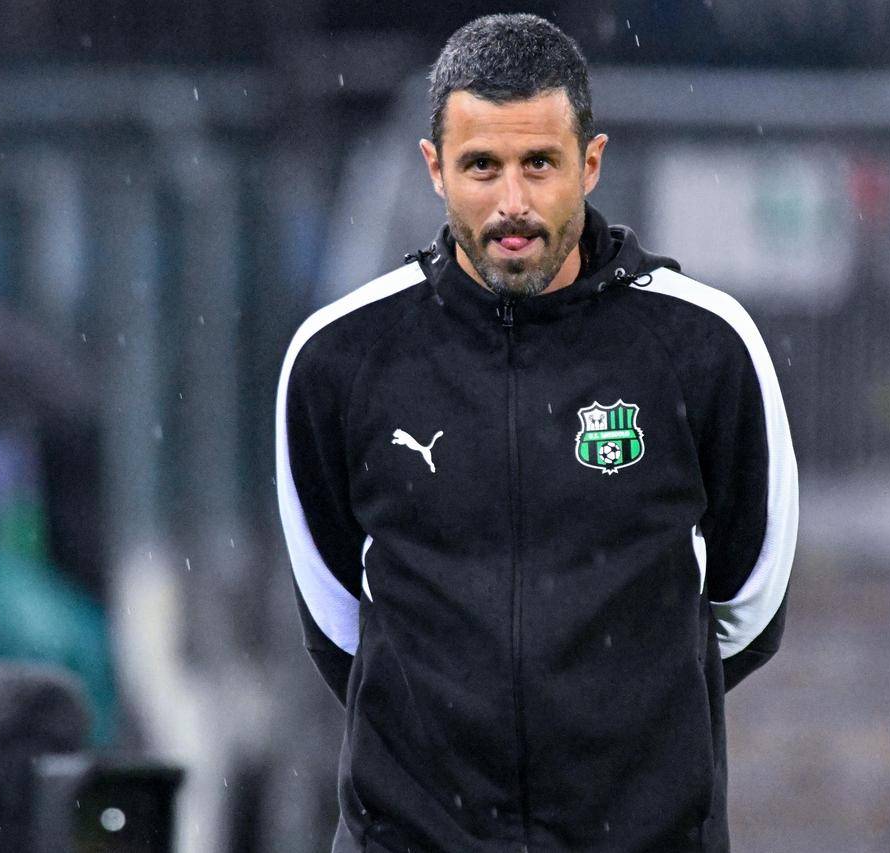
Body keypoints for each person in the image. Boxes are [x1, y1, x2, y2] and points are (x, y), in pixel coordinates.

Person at [275, 14, 798, 852]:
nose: (512, 203)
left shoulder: (705, 346)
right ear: (435, 167)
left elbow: (750, 609)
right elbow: (337, 620)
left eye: (540, 164)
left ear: (590, 163)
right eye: (482, 166)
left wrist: (615, 753)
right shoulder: (339, 357)